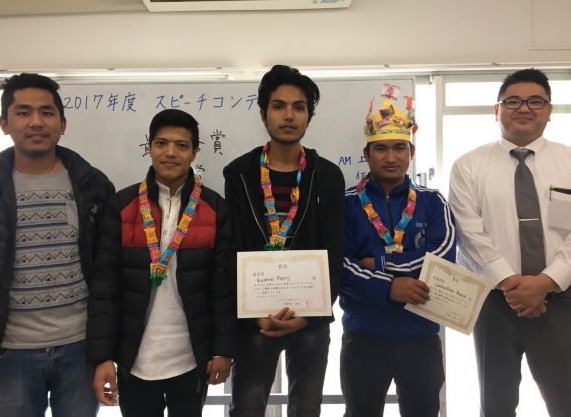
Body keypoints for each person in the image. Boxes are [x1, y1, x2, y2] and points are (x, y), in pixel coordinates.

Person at [0, 73, 120, 417]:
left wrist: (103, 353)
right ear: (4, 124)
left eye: (47, 112)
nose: (36, 122)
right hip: (10, 350)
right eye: (23, 112)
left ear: (62, 124)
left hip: (79, 348)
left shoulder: (92, 185)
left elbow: (106, 270)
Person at [223, 64, 345, 417]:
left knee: (306, 409)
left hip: (310, 319)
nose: (289, 116)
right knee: (246, 408)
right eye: (278, 106)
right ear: (264, 114)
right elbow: (232, 248)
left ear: (309, 115)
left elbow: (334, 250)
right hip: (255, 318)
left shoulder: (327, 176)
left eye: (298, 107)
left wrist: (310, 315)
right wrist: (252, 315)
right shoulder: (240, 173)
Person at [449, 68, 571, 417]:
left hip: (560, 299)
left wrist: (546, 281)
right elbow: (469, 233)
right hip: (495, 302)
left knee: (565, 399)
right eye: (513, 101)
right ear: (497, 110)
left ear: (549, 110)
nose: (524, 108)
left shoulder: (569, 160)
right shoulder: (468, 165)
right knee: (496, 403)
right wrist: (512, 283)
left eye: (536, 101)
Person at [339, 86, 456, 417]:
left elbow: (442, 257)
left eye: (399, 148)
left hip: (421, 335)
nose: (390, 157)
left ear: (411, 152)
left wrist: (378, 264)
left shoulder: (432, 201)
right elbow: (341, 266)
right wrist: (389, 287)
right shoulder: (346, 204)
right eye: (381, 148)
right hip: (363, 334)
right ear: (367, 153)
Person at [115, 109, 235, 417]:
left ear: (195, 151)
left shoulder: (214, 209)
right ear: (149, 147)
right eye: (161, 143)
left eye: (181, 145)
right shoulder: (122, 205)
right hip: (134, 358)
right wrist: (102, 356)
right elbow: (106, 283)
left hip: (191, 358)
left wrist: (223, 350)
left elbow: (222, 286)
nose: (170, 152)